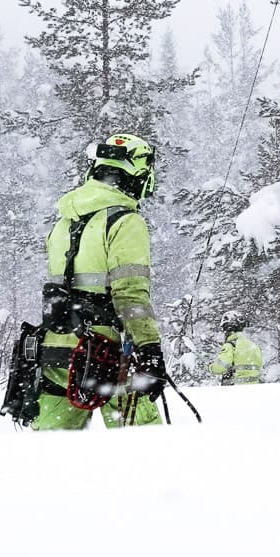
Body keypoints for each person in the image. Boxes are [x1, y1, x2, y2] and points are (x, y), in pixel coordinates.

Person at [34, 133, 168, 430]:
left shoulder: (64, 222)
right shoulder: (124, 221)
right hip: (107, 354)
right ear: (139, 173)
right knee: (145, 448)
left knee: (51, 453)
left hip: (56, 351)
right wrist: (149, 349)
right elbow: (130, 294)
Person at [204, 311, 265, 385]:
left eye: (224, 329)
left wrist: (210, 367)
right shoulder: (253, 346)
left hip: (235, 390)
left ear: (228, 328)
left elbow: (220, 368)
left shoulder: (230, 345)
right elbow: (260, 369)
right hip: (254, 389)